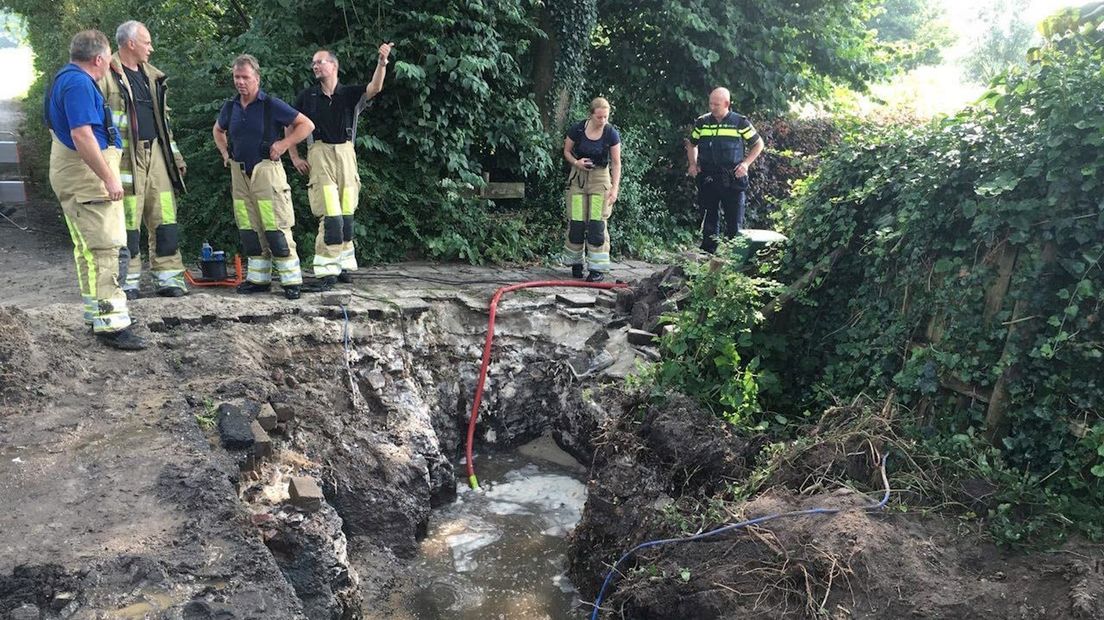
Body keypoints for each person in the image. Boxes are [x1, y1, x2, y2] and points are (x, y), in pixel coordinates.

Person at [46, 30, 146, 350]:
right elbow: (82, 135)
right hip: (87, 176)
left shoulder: (63, 77)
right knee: (106, 250)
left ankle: (97, 315)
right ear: (99, 59)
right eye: (107, 62)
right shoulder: (78, 83)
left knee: (87, 250)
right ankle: (112, 324)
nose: (107, 68)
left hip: (72, 173)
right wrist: (109, 177)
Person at [289, 43, 393, 289]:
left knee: (347, 214)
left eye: (319, 61)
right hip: (320, 154)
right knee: (331, 215)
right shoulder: (307, 96)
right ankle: (326, 271)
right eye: (313, 63)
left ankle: (343, 265)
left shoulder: (349, 93)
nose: (315, 66)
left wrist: (382, 63)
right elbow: (289, 124)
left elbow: (375, 87)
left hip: (346, 154)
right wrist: (294, 156)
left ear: (334, 65)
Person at [212, 54, 314, 300]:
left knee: (276, 226)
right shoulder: (231, 106)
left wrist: (284, 144)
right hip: (239, 173)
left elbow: (306, 125)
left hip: (267, 171)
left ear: (256, 78)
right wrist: (225, 152)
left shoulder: (271, 104)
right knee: (248, 228)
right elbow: (217, 129)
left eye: (245, 77)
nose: (240, 82)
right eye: (236, 77)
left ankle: (291, 281)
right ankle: (259, 279)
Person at [99, 20, 188, 299]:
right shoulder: (105, 74)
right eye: (147, 42)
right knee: (127, 222)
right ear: (130, 44)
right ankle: (128, 282)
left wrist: (175, 155)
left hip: (157, 154)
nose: (151, 48)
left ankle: (169, 278)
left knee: (165, 215)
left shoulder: (153, 76)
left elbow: (164, 122)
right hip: (124, 158)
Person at [686, 87, 764, 253]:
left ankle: (734, 260)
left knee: (734, 223)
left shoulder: (739, 122)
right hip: (708, 177)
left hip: (733, 178)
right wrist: (693, 164)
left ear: (727, 104)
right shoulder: (702, 122)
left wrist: (746, 164)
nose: (712, 107)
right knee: (709, 220)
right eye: (710, 104)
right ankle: (707, 255)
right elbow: (692, 143)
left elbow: (758, 144)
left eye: (716, 104)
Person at [562, 97, 621, 282]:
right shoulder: (578, 129)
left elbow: (617, 163)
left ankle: (597, 269)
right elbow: (566, 151)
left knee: (596, 223)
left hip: (600, 179)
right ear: (591, 114)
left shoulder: (611, 133)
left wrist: (614, 189)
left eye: (606, 117)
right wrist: (576, 162)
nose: (603, 120)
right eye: (599, 117)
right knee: (577, 221)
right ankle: (575, 263)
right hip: (578, 178)